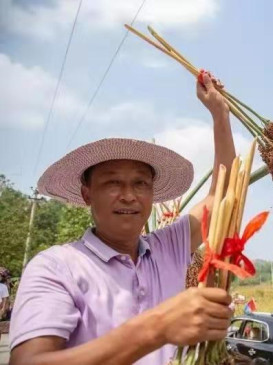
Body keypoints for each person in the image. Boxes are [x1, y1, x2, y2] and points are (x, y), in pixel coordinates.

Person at [9, 73, 236, 365]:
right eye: (112, 183)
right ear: (87, 194)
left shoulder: (168, 248)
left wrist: (220, 115)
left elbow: (224, 198)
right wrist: (157, 327)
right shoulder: (56, 268)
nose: (129, 196)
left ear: (152, 195)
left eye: (140, 184)